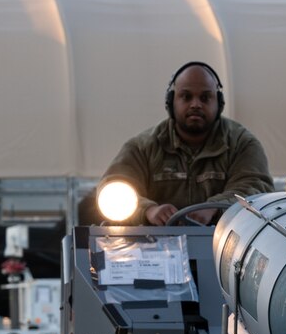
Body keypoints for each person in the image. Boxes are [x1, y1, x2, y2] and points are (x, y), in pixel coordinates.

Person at [99, 61, 274, 225]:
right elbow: (113, 188)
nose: (195, 104)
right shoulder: (142, 147)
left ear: (219, 103)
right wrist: (148, 210)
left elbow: (256, 187)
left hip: (226, 249)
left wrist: (214, 208)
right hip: (151, 249)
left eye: (205, 98)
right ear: (171, 101)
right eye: (186, 96)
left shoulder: (242, 144)